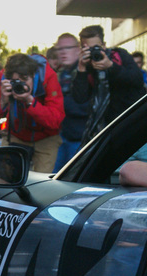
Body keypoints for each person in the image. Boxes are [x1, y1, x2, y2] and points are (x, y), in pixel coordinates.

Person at [0, 52, 65, 173]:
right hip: (16, 134)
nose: (21, 85)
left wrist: (30, 102)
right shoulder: (3, 78)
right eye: (16, 81)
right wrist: (2, 102)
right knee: (3, 178)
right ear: (9, 79)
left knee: (43, 183)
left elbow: (55, 121)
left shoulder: (47, 76)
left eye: (25, 79)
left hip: (46, 137)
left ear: (33, 75)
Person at [72, 25, 146, 146]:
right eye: (89, 49)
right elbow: (80, 98)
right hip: (111, 132)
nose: (94, 52)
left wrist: (111, 66)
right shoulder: (85, 67)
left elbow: (137, 79)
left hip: (138, 124)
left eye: (96, 47)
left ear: (104, 45)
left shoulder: (120, 56)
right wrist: (81, 68)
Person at [53, 33, 90, 172]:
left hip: (81, 138)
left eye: (67, 48)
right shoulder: (61, 74)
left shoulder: (86, 71)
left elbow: (84, 105)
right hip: (63, 136)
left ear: (78, 49)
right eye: (60, 49)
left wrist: (57, 104)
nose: (63, 52)